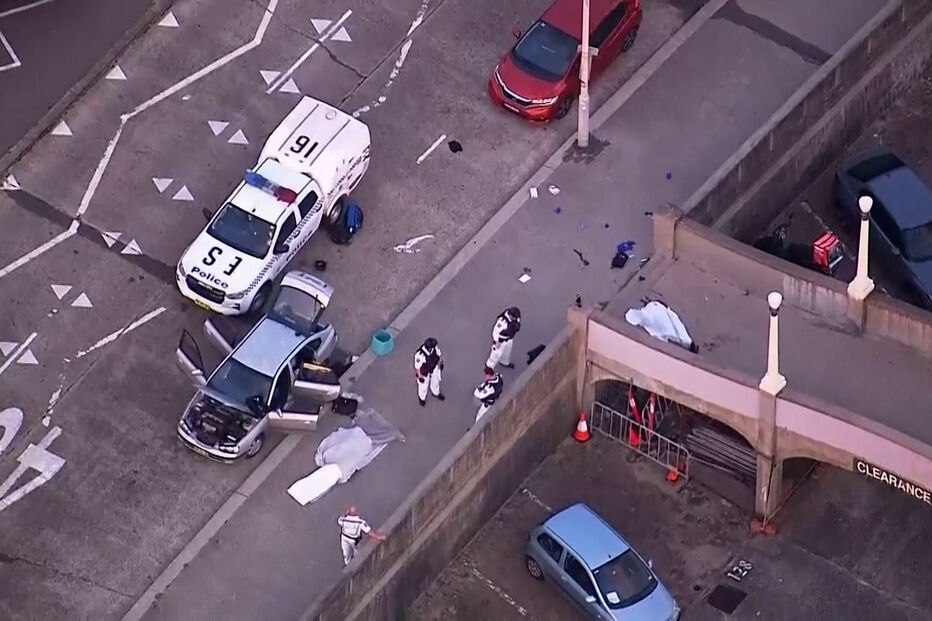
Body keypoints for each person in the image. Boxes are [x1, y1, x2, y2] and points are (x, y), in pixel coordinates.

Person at [413, 337, 445, 406]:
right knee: (423, 386)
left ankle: (436, 393)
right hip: (424, 371)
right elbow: (417, 367)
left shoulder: (434, 347)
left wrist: (441, 362)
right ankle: (422, 398)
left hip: (434, 366)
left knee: (436, 381)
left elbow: (438, 354)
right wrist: (420, 376)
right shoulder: (419, 355)